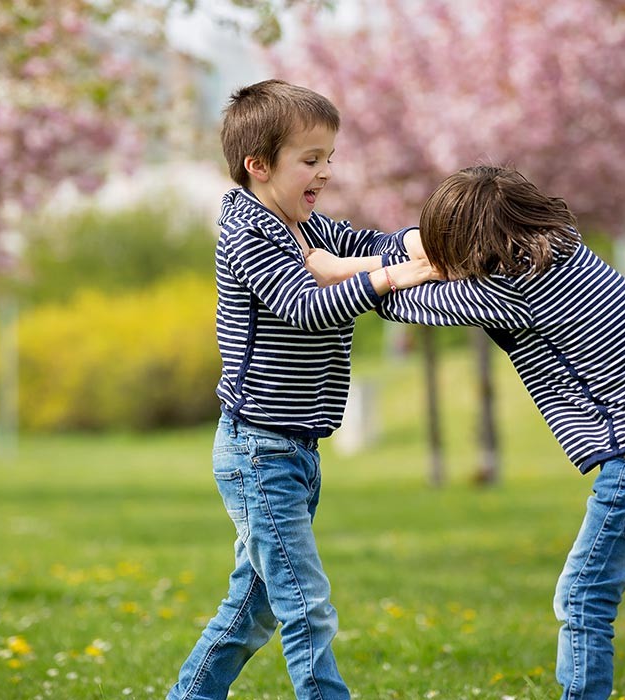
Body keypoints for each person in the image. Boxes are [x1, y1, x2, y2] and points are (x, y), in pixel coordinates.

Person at [312, 164, 625, 699]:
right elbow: (429, 273)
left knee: (583, 597)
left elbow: (408, 303)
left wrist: (337, 274)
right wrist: (381, 259)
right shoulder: (564, 249)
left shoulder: (516, 289)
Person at [166, 79, 437, 700]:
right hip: (258, 449)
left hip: (295, 449)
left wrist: (437, 242)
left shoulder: (304, 224)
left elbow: (375, 243)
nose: (324, 173)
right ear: (258, 166)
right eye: (310, 161)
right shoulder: (246, 232)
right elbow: (302, 306)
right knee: (305, 602)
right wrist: (389, 279)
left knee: (255, 607)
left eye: (329, 160)